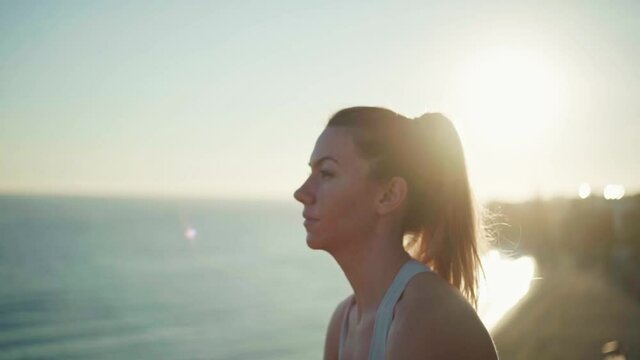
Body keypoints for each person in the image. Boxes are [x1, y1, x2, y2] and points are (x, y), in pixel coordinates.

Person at [293, 106, 499, 360]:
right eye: (310, 172)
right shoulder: (343, 323)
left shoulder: (425, 318)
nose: (301, 193)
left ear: (389, 195)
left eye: (326, 173)